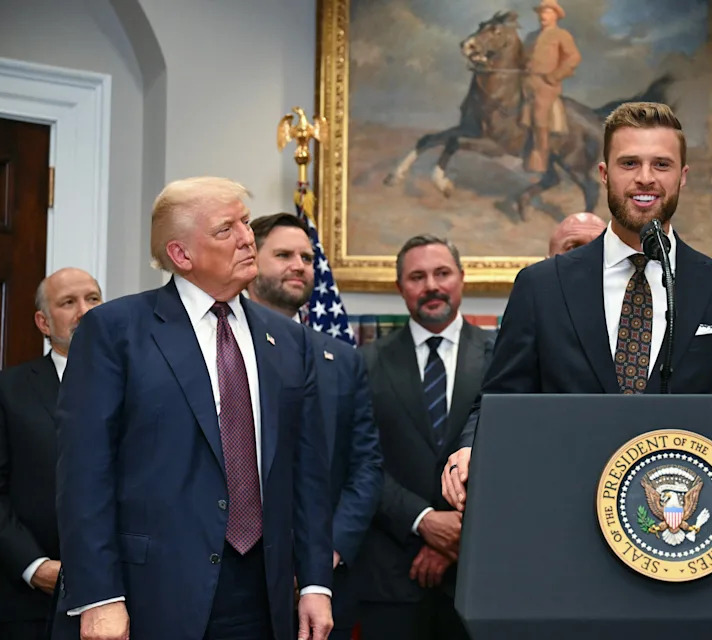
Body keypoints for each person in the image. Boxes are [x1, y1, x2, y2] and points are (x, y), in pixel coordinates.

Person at [442, 101, 712, 510]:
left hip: (679, 528)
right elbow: (499, 401)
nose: (645, 179)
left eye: (661, 165)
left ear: (683, 177)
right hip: (560, 513)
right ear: (604, 173)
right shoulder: (542, 287)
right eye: (629, 163)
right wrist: (472, 447)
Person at [53, 178, 333, 640]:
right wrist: (100, 597)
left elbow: (308, 473)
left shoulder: (289, 340)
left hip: (266, 594)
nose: (247, 237)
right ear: (181, 255)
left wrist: (316, 583)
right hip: (151, 594)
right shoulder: (116, 331)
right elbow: (84, 474)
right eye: (227, 229)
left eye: (245, 222)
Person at [247, 212, 383, 640]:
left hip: (326, 579)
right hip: (235, 575)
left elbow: (365, 465)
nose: (300, 265)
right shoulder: (223, 348)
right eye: (283, 254)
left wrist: (324, 554)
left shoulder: (342, 358)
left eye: (307, 257)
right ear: (250, 259)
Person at [355, 235, 495, 640]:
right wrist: (424, 520)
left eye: (442, 273)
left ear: (462, 279)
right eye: (417, 276)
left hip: (481, 574)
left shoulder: (503, 355)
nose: (431, 285)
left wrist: (457, 535)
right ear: (400, 288)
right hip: (392, 574)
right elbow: (358, 460)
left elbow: (516, 456)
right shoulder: (363, 362)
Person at [0, 268, 101, 640]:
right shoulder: (6, 391)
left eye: (93, 299)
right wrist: (34, 567)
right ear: (43, 322)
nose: (84, 311)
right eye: (68, 303)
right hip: (35, 603)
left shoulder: (142, 384)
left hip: (129, 594)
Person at [521, 0, 581, 173]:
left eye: (547, 12)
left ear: (556, 15)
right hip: (526, 81)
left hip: (547, 84)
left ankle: (540, 158)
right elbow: (523, 58)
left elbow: (573, 58)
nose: (542, 16)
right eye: (540, 12)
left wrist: (554, 76)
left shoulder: (561, 35)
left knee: (540, 114)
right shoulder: (531, 36)